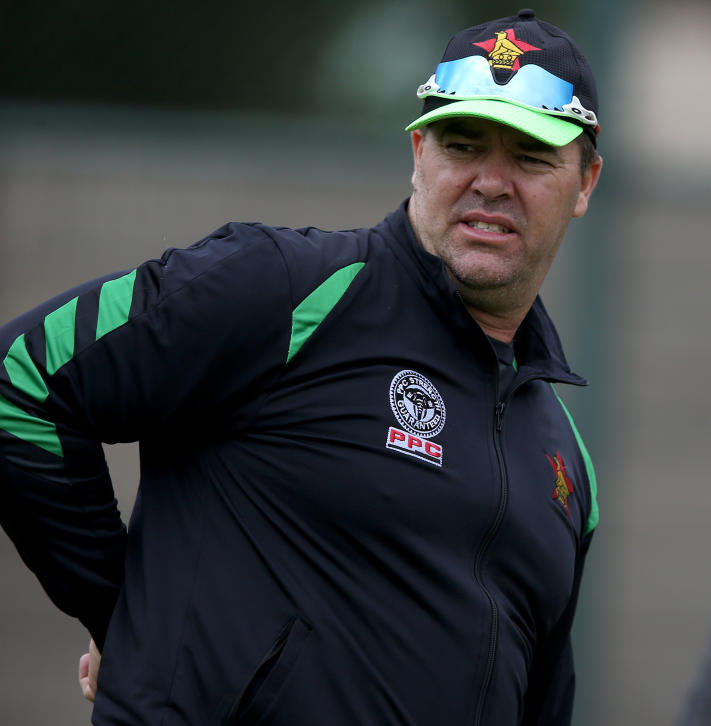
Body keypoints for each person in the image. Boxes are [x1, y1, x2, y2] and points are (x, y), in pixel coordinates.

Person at [0, 8, 602, 725]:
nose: (491, 182)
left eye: (531, 156)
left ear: (585, 182)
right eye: (462, 143)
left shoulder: (566, 463)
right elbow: (20, 378)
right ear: (418, 154)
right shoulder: (281, 287)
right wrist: (116, 612)